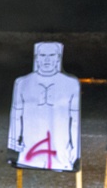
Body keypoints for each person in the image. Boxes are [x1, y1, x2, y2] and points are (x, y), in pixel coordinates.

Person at [7, 41, 81, 171]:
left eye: (52, 55)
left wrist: (75, 147)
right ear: (37, 58)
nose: (47, 59)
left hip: (60, 145)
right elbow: (16, 116)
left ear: (58, 58)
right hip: (30, 144)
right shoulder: (22, 83)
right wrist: (14, 142)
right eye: (42, 55)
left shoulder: (71, 83)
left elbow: (74, 120)